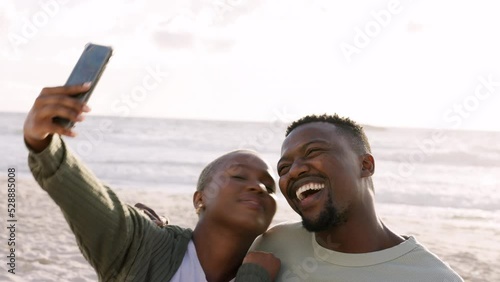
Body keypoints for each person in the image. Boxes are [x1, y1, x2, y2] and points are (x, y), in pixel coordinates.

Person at [23, 83, 280, 282]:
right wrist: (42, 140)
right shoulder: (141, 247)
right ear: (199, 198)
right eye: (238, 176)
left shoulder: (284, 267)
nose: (257, 187)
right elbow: (86, 196)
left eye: (269, 187)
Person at [251, 114, 464, 281]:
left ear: (365, 165)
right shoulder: (274, 245)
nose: (294, 171)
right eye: (284, 168)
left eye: (313, 151)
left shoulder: (433, 277)